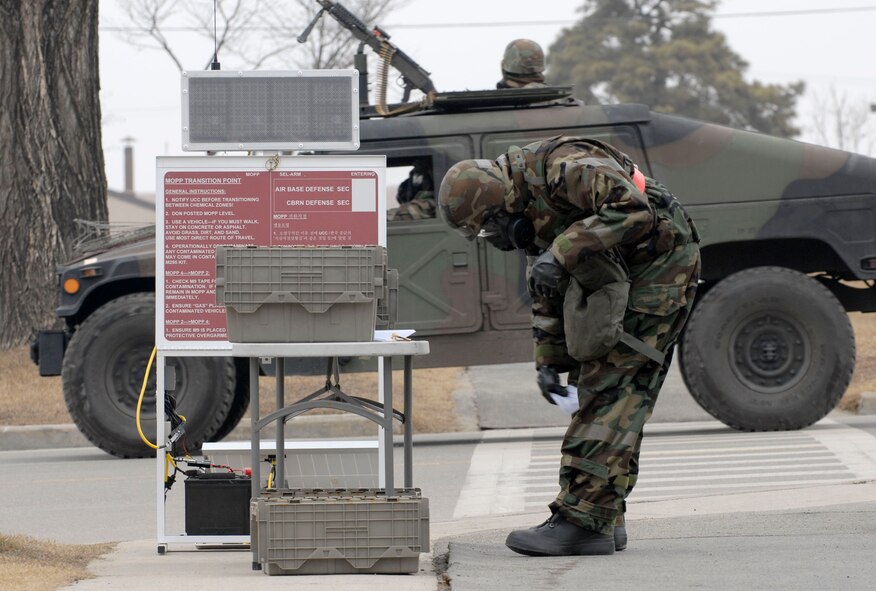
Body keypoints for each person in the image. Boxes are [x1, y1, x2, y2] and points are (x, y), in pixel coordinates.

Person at [437, 136, 700, 556]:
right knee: (597, 382)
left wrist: (560, 252)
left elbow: (635, 211)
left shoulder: (566, 167)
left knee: (612, 387)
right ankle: (604, 515)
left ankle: (582, 522)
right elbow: (547, 285)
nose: (494, 239)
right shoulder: (528, 203)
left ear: (501, 201)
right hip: (618, 269)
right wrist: (549, 360)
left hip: (659, 264)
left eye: (489, 227)